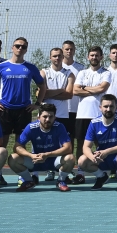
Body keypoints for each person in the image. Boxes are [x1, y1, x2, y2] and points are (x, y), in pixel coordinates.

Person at [0, 37, 47, 185]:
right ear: (12, 47)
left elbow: (42, 86)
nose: (20, 49)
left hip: (23, 111)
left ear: (26, 49)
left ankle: (22, 175)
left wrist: (37, 104)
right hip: (4, 110)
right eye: (17, 46)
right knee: (0, 145)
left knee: (21, 145)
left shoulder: (30, 67)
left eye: (23, 47)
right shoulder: (1, 66)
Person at [8, 103, 75, 191]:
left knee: (70, 158)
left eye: (51, 117)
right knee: (13, 158)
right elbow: (17, 147)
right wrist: (31, 156)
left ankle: (61, 181)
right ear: (39, 117)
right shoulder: (31, 127)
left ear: (55, 118)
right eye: (45, 116)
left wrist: (47, 154)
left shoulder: (59, 126)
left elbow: (68, 148)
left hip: (54, 160)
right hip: (36, 160)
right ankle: (28, 181)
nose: (48, 119)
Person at [76, 95, 117, 191]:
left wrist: (107, 151)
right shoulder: (94, 123)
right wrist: (92, 157)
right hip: (102, 158)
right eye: (105, 106)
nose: (108, 109)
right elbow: (86, 147)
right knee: (82, 161)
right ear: (100, 107)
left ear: (116, 107)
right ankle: (101, 176)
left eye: (111, 106)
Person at [40, 48, 75, 180]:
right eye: (54, 56)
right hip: (46, 115)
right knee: (46, 143)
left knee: (64, 145)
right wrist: (61, 90)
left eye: (59, 56)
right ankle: (49, 170)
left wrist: (49, 92)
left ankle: (66, 169)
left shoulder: (69, 74)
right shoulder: (43, 72)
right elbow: (41, 94)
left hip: (62, 115)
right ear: (50, 58)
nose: (57, 58)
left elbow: (69, 94)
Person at [73, 47, 111, 159]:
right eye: (92, 55)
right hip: (82, 115)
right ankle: (80, 172)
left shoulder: (106, 73)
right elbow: (75, 91)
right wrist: (94, 89)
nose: (94, 57)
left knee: (100, 143)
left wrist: (84, 88)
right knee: (81, 144)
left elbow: (102, 89)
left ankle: (102, 168)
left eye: (96, 55)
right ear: (88, 57)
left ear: (101, 57)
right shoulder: (82, 73)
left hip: (98, 115)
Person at [62, 40, 86, 130]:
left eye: (71, 49)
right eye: (67, 49)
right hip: (60, 108)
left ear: (74, 50)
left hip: (76, 108)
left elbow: (83, 87)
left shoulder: (81, 68)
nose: (69, 51)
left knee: (74, 136)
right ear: (62, 50)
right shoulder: (58, 66)